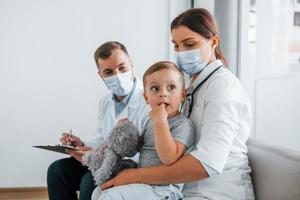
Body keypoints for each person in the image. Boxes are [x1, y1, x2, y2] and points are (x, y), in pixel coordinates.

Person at [100, 8, 255, 200]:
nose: (181, 52)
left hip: (216, 192)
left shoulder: (223, 86)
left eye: (189, 44)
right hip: (184, 189)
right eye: (176, 46)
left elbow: (208, 163)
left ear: (213, 42)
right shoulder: (191, 87)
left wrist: (135, 176)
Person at [47, 41, 150, 200]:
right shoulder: (105, 102)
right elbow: (101, 140)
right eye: (108, 72)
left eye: (122, 68)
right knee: (57, 171)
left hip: (131, 166)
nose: (117, 75)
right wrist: (80, 145)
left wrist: (102, 156)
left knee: (89, 181)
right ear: (101, 75)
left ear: (131, 64)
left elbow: (147, 152)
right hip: (103, 161)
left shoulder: (149, 99)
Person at [91, 61, 195, 200]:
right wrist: (128, 132)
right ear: (146, 97)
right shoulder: (151, 121)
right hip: (144, 183)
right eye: (155, 89)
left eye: (171, 87)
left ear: (183, 95)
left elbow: (169, 158)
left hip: (164, 189)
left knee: (110, 197)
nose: (163, 94)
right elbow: (139, 147)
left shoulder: (183, 125)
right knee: (98, 192)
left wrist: (161, 122)